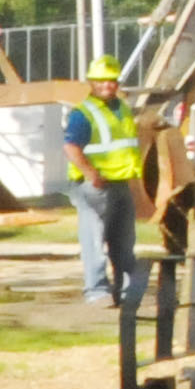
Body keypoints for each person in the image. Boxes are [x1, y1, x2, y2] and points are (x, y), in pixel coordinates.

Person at [63, 57, 143, 306]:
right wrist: (92, 175)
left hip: (121, 183)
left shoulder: (123, 109)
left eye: (111, 80)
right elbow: (71, 147)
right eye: (100, 81)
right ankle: (96, 291)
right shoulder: (83, 113)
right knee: (94, 240)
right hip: (96, 187)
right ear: (92, 83)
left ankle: (127, 292)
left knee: (124, 242)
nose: (106, 85)